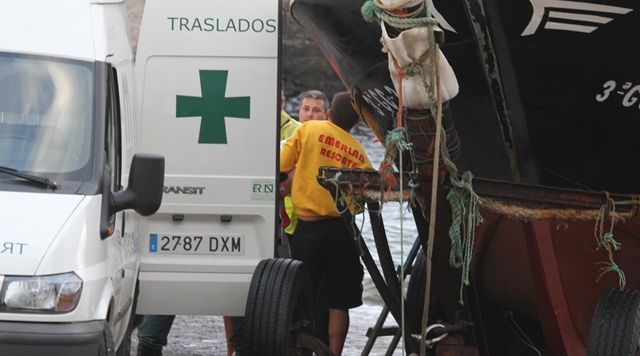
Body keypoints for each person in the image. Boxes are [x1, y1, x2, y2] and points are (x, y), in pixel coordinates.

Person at [280, 91, 372, 355]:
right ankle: (333, 352)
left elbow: (282, 163)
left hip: (307, 231)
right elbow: (360, 201)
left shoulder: (309, 130)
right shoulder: (358, 150)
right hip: (342, 233)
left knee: (300, 297)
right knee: (337, 302)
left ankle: (299, 350)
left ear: (328, 113)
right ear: (357, 122)